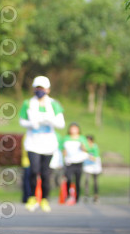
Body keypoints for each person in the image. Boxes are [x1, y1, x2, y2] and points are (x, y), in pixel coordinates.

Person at [19, 76, 65, 212]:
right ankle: (32, 198)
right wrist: (32, 124)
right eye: (37, 88)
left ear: (48, 90)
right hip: (32, 143)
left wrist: (49, 120)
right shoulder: (28, 103)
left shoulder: (54, 104)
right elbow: (22, 121)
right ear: (34, 89)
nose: (39, 90)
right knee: (33, 171)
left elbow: (61, 124)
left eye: (42, 88)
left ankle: (44, 199)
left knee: (45, 174)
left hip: (48, 144)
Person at [60, 122, 89, 204]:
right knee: (68, 178)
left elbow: (86, 149)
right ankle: (69, 195)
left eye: (75, 128)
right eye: (72, 128)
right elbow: (62, 149)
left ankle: (77, 197)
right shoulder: (66, 138)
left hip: (78, 162)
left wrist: (82, 147)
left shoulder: (82, 138)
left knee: (77, 180)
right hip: (69, 162)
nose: (73, 130)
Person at [83, 134, 102, 203]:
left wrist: (87, 154)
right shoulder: (84, 147)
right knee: (87, 180)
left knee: (95, 181)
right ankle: (86, 195)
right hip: (87, 165)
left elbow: (95, 158)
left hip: (95, 165)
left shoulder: (94, 147)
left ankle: (96, 195)